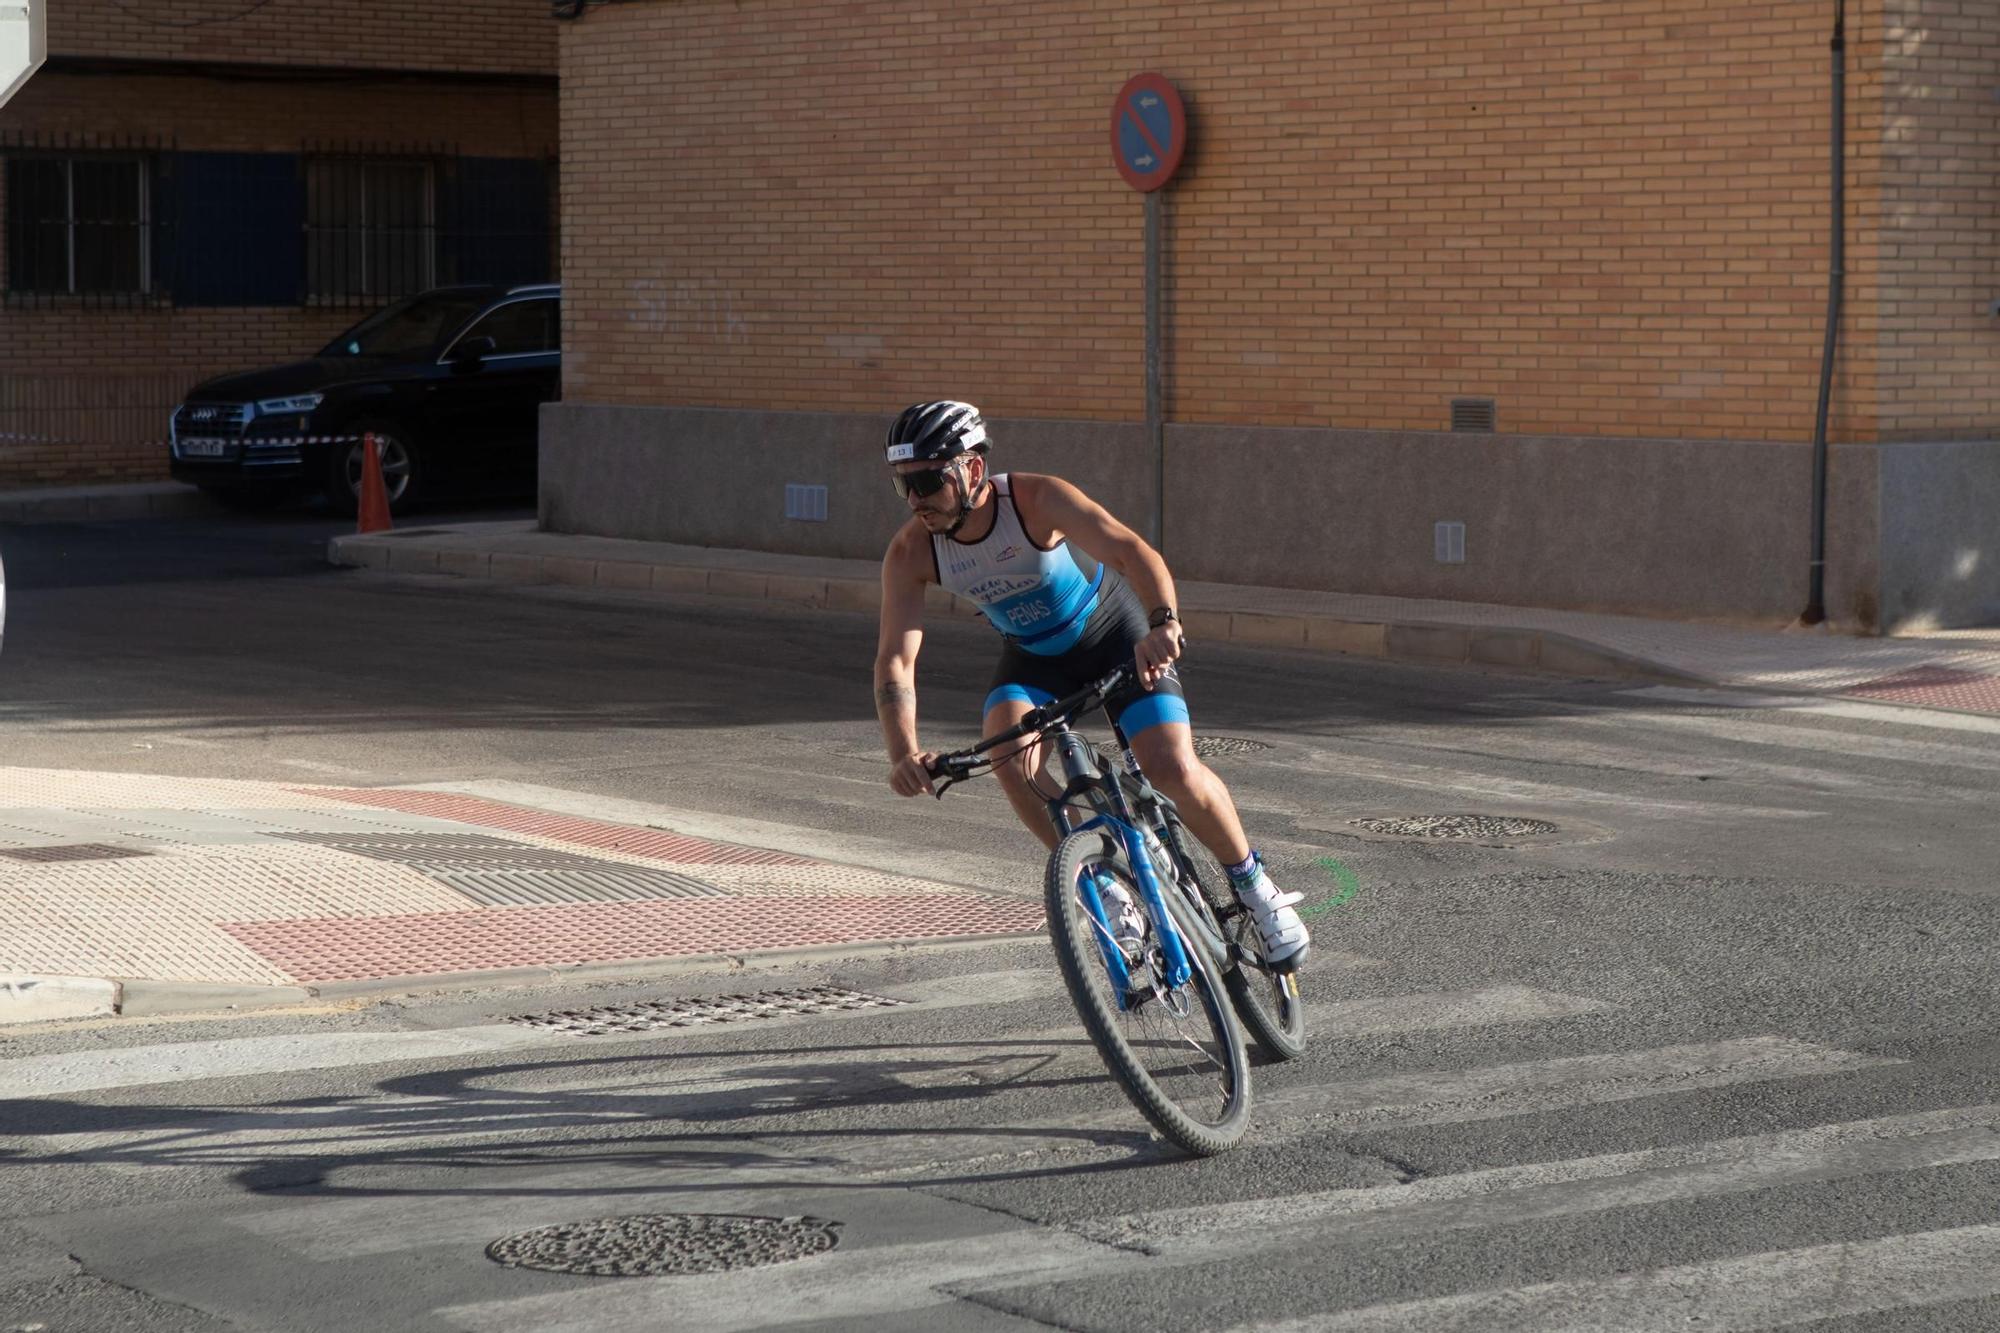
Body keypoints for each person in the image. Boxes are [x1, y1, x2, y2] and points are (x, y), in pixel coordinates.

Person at [872, 400, 1308, 971]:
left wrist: (1163, 624)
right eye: (902, 485)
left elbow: (1131, 550)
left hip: (1114, 633)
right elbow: (896, 662)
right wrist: (904, 754)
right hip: (1035, 660)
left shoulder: (1036, 500)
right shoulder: (911, 551)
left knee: (1170, 767)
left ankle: (1255, 886)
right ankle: (1102, 882)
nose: (916, 500)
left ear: (971, 470)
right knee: (1009, 758)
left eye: (928, 480)